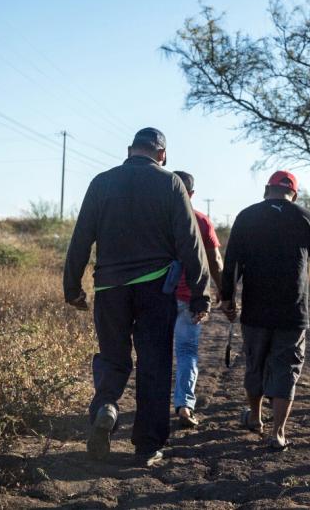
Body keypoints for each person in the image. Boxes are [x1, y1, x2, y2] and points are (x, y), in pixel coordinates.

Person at [63, 127, 211, 467]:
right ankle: (146, 445)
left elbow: (81, 236)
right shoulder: (171, 183)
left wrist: (72, 287)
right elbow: (190, 242)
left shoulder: (101, 182)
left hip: (108, 288)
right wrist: (201, 293)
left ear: (130, 150)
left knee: (113, 357)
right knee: (154, 363)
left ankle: (106, 407)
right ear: (162, 155)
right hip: (155, 288)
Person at [220, 170, 310, 451]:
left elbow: (231, 262)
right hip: (292, 310)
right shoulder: (305, 216)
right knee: (286, 366)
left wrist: (227, 297)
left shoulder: (247, 216)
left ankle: (255, 417)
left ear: (267, 189)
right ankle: (278, 432)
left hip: (256, 307)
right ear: (295, 193)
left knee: (255, 362)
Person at [170, 170, 223, 428]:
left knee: (154, 353)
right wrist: (224, 293)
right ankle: (184, 404)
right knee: (187, 352)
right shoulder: (201, 221)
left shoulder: (158, 219)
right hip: (190, 297)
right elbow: (214, 262)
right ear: (191, 194)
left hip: (157, 296)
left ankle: (153, 405)